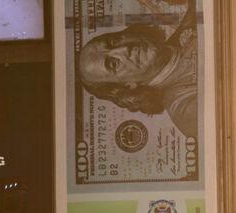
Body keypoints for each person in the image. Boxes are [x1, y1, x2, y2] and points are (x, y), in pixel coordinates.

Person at [77, 7, 199, 137]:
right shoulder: (184, 108)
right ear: (128, 86)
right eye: (114, 63)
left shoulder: (191, 18)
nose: (124, 49)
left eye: (113, 42)